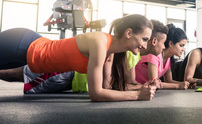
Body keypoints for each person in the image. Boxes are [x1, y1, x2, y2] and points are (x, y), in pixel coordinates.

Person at [0, 14, 157, 101]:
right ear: (128, 33)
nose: (145, 45)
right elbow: (96, 94)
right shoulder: (100, 42)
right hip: (21, 43)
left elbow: (106, 88)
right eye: (144, 39)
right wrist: (136, 95)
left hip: (30, 53)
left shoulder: (110, 52)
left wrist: (139, 89)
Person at [135, 23, 190, 89]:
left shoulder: (169, 58)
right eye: (181, 45)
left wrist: (184, 84)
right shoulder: (154, 55)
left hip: (147, 90)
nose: (183, 49)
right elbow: (154, 82)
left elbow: (168, 81)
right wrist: (178, 86)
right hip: (137, 88)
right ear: (171, 43)